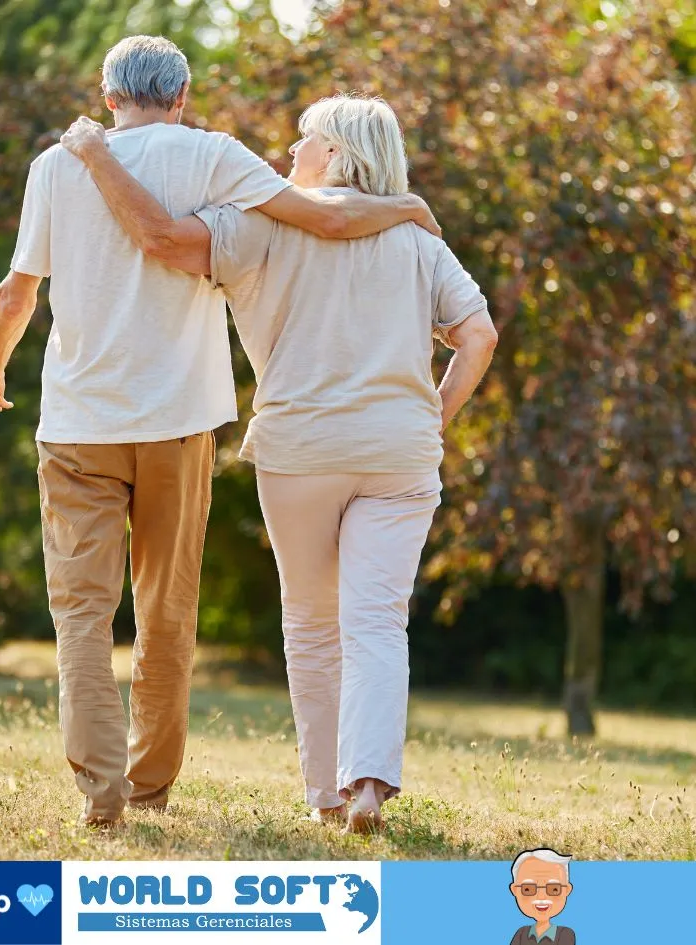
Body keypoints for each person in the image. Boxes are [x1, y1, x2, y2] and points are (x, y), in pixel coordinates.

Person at [0, 37, 441, 828]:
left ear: (107, 94)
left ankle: (99, 791)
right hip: (179, 423)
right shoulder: (216, 156)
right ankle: (148, 786)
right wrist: (407, 209)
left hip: (78, 424)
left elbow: (18, 291)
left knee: (81, 615)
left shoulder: (56, 164)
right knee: (166, 611)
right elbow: (322, 215)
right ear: (181, 94)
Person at [59, 93, 498, 832]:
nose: (287, 153)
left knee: (311, 623)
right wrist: (434, 415)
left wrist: (96, 158)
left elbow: (164, 243)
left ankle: (325, 795)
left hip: (301, 450)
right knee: (378, 622)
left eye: (302, 140)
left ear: (332, 153)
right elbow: (477, 335)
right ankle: (367, 784)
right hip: (399, 451)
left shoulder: (258, 224)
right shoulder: (418, 236)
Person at [508, 848, 577, 944]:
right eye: (528, 889)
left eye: (554, 889)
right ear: (515, 890)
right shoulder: (521, 933)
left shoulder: (564, 934)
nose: (541, 897)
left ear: (567, 890)